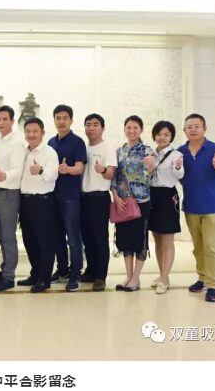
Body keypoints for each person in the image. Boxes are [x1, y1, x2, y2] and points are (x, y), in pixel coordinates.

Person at [178, 114, 215, 303]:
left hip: (213, 207)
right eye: (189, 127)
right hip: (191, 206)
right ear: (184, 130)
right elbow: (179, 177)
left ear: (204, 129)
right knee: (198, 247)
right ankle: (202, 278)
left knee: (212, 247)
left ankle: (213, 285)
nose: (192, 129)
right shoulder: (180, 152)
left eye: (196, 126)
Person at [111, 115, 157, 292]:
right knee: (125, 240)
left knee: (139, 240)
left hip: (140, 202)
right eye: (128, 128)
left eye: (135, 128)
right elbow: (114, 177)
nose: (131, 131)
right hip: (122, 202)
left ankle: (136, 278)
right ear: (124, 129)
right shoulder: (119, 151)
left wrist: (151, 166)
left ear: (141, 130)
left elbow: (150, 177)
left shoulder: (147, 151)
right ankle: (128, 276)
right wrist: (116, 196)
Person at [48, 105, 87, 292]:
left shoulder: (77, 142)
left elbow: (80, 167)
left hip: (70, 197)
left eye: (65, 118)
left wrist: (67, 169)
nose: (61, 121)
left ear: (71, 120)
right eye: (58, 118)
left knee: (73, 238)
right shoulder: (50, 142)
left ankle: (75, 273)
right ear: (54, 120)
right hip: (52, 195)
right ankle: (62, 269)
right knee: (56, 236)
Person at [18, 117, 59, 293]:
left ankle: (44, 279)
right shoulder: (24, 152)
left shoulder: (49, 152)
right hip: (25, 201)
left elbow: (54, 175)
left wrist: (41, 170)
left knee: (44, 242)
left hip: (43, 202)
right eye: (28, 131)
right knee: (29, 241)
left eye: (35, 131)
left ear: (42, 133)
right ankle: (35, 274)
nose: (31, 134)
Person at [0, 106, 26, 292]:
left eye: (5, 119)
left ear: (12, 121)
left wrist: (6, 175)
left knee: (8, 236)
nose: (1, 122)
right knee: (0, 234)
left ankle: (9, 277)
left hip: (8, 193)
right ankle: (5, 269)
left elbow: (17, 170)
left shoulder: (17, 143)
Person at [80, 114, 117, 292]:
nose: (91, 128)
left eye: (95, 125)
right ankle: (90, 271)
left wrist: (102, 169)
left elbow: (110, 174)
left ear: (102, 128)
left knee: (99, 238)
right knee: (87, 237)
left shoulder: (107, 148)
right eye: (88, 124)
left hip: (99, 197)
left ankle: (100, 276)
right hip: (83, 197)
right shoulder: (83, 147)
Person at [148, 121, 185, 294]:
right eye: (159, 134)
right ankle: (163, 274)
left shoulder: (176, 154)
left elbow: (179, 173)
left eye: (166, 135)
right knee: (156, 238)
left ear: (171, 137)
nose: (162, 137)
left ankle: (164, 279)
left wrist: (178, 167)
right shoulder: (150, 153)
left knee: (167, 240)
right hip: (152, 195)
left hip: (168, 196)